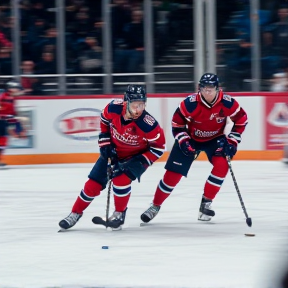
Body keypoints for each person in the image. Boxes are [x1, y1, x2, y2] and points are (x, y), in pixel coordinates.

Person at [140, 73, 248, 223]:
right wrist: (184, 141)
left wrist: (232, 141)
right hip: (190, 138)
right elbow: (177, 124)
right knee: (172, 175)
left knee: (222, 165)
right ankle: (155, 206)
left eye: (211, 88)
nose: (208, 91)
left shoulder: (228, 103)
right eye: (204, 88)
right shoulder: (189, 103)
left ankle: (206, 204)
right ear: (199, 88)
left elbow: (242, 120)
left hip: (215, 139)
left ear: (218, 89)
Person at [59, 84, 166, 230]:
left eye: (141, 105)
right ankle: (75, 213)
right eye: (135, 105)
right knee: (92, 185)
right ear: (126, 102)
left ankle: (119, 214)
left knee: (121, 180)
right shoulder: (113, 108)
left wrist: (140, 162)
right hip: (113, 152)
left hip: (136, 157)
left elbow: (159, 147)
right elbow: (104, 121)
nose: (138, 110)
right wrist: (105, 144)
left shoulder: (149, 125)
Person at [0, 80, 24, 166]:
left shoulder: (10, 98)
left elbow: (11, 112)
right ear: (11, 89)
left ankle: (1, 159)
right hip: (2, 120)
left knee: (3, 139)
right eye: (17, 89)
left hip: (4, 120)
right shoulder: (4, 97)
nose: (18, 91)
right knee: (2, 139)